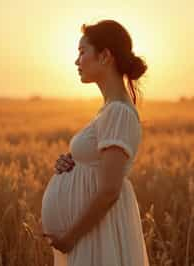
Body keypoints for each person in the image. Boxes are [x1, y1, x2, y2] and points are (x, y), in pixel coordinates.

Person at [41, 19, 149, 266]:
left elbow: (110, 191)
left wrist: (70, 238)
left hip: (99, 235)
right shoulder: (109, 110)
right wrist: (74, 163)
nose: (77, 61)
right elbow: (99, 168)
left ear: (105, 56)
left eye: (82, 52)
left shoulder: (118, 113)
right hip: (93, 234)